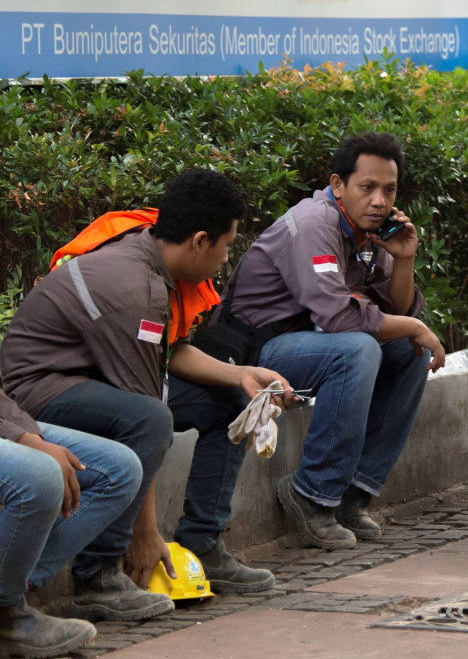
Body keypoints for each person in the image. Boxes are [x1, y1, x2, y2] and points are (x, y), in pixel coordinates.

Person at [0, 169, 290, 621]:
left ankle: (204, 542)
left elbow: (168, 353)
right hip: (34, 393)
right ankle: (97, 576)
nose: (225, 259)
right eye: (226, 245)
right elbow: (145, 413)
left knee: (229, 403)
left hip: (87, 380)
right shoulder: (134, 291)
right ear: (198, 240)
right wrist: (146, 533)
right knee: (149, 420)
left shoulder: (149, 253)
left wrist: (242, 376)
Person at [178, 131, 445, 552]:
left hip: (305, 342)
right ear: (338, 185)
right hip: (255, 349)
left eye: (389, 190)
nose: (379, 200)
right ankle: (312, 493)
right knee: (358, 349)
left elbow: (402, 310)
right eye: (368, 188)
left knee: (409, 353)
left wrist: (405, 259)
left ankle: (354, 495)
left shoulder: (366, 231)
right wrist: (411, 326)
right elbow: (340, 319)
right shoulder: (314, 225)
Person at [1, 387, 141, 656]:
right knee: (39, 475)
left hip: (9, 417)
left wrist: (29, 436)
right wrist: (25, 441)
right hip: (46, 388)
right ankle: (7, 613)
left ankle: (13, 587)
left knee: (121, 468)